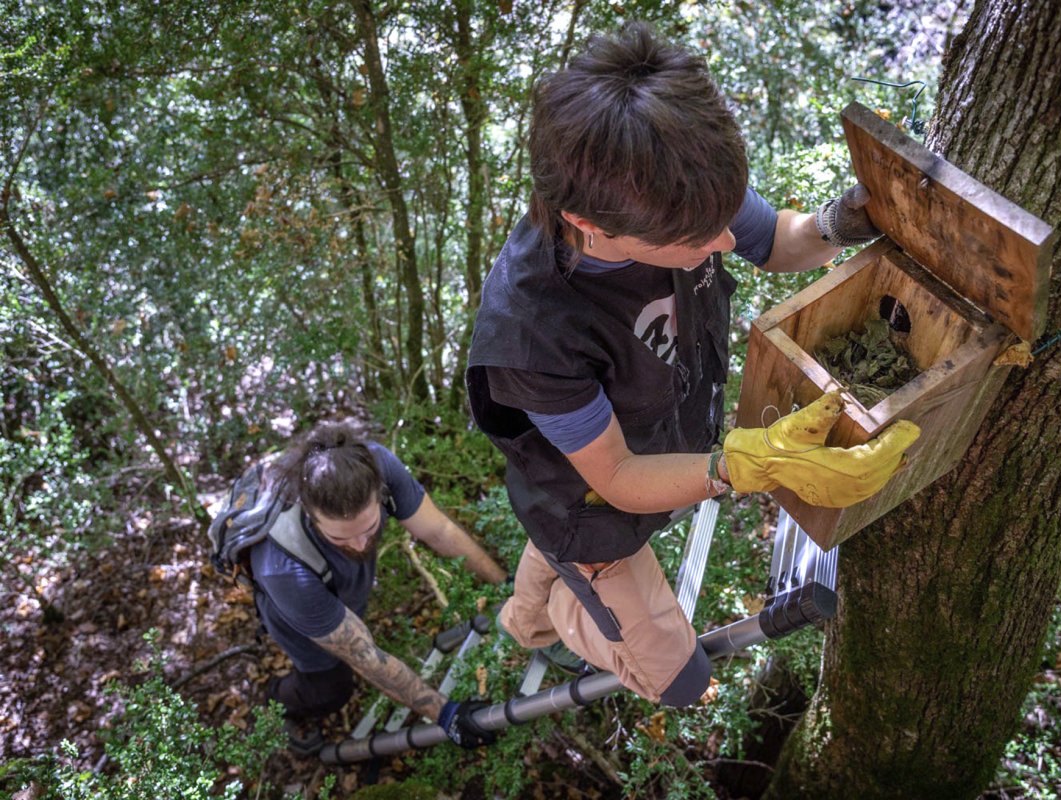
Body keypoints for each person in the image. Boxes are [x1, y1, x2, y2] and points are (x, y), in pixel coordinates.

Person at [466, 23, 919, 707]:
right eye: (695, 240)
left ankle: (530, 602)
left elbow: (777, 242)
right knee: (678, 683)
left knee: (559, 547)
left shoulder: (674, 181)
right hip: (587, 501)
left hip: (644, 455)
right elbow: (615, 476)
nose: (725, 241)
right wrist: (737, 467)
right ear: (592, 225)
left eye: (722, 218)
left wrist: (843, 222)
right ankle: (554, 616)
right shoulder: (534, 332)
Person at [253, 419, 504, 753]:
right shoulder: (283, 569)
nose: (359, 545)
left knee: (350, 600)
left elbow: (438, 531)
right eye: (339, 536)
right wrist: (445, 713)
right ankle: (276, 701)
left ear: (379, 492)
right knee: (331, 688)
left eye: (369, 527)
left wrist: (505, 586)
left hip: (332, 580)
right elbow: (364, 657)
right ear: (311, 517)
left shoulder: (377, 465)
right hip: (292, 606)